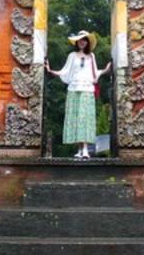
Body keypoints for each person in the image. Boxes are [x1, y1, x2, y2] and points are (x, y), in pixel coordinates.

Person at [45, 30, 112, 159]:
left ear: (87, 42)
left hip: (87, 89)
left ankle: (86, 149)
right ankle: (80, 149)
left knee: (85, 118)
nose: (82, 42)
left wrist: (105, 70)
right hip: (74, 89)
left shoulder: (91, 56)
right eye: (80, 40)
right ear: (77, 42)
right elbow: (65, 71)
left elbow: (94, 74)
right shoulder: (72, 55)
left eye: (84, 40)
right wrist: (51, 71)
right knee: (76, 119)